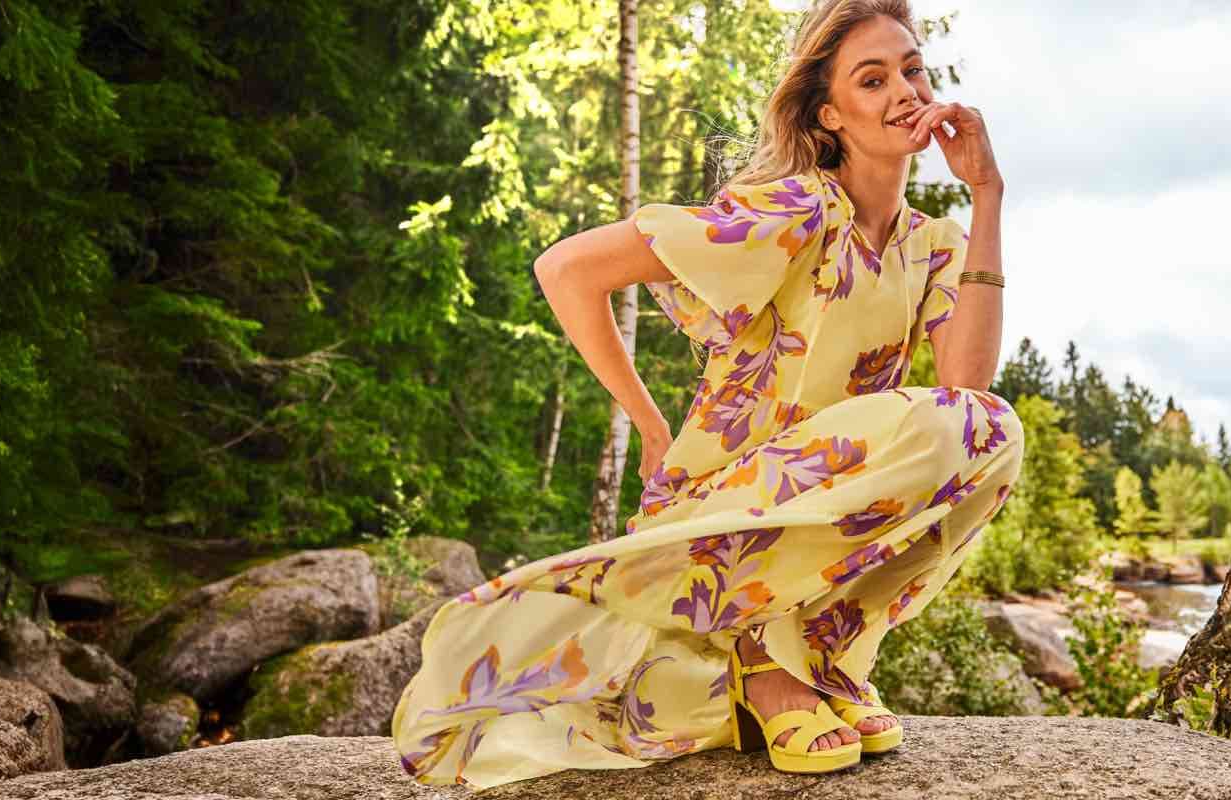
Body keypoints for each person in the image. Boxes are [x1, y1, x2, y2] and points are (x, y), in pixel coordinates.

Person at [389, 0, 1021, 788]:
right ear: (829, 114)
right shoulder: (793, 210)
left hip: (813, 500)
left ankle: (815, 655)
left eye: (912, 69)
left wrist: (988, 192)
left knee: (990, 430)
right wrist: (650, 427)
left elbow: (967, 387)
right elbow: (567, 270)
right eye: (873, 78)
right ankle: (762, 652)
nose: (905, 91)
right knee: (963, 424)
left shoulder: (931, 247)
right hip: (729, 500)